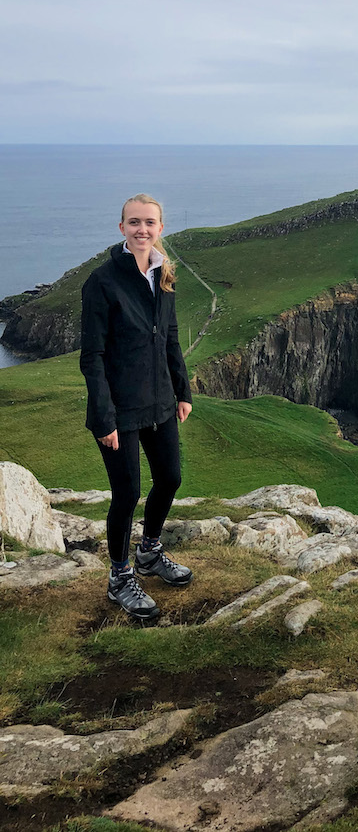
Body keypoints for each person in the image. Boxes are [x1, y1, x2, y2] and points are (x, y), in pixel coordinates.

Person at [80, 193, 193, 621]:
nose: (142, 229)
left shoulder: (164, 274)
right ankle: (119, 576)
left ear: (160, 228)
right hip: (119, 410)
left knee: (170, 479)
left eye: (149, 222)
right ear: (121, 228)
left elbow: (169, 337)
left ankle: (149, 552)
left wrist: (182, 392)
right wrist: (104, 416)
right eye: (134, 222)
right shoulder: (103, 281)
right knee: (126, 494)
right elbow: (92, 357)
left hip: (160, 401)